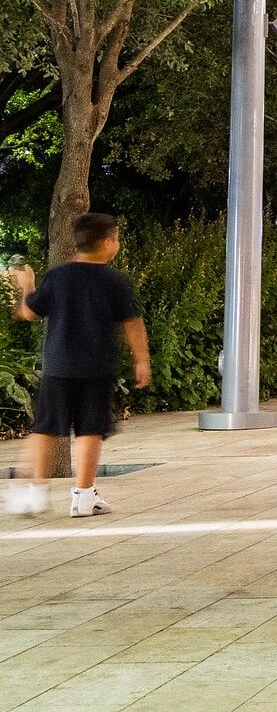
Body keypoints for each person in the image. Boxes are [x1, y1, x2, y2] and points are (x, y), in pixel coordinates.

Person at [5, 213, 150, 517]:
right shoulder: (115, 281)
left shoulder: (58, 277)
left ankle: (32, 490)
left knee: (44, 428)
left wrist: (27, 285)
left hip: (58, 366)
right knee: (89, 430)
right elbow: (133, 323)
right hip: (96, 368)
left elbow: (29, 313)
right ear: (109, 243)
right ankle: (84, 496)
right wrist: (142, 360)